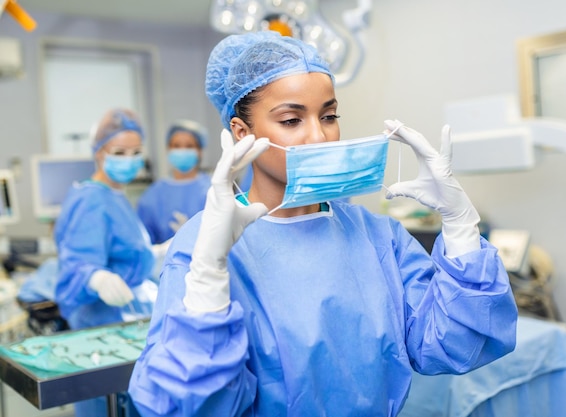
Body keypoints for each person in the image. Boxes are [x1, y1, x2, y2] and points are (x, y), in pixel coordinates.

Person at [129, 32, 518, 417]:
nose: (319, 136)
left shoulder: (377, 236)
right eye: (291, 119)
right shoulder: (207, 246)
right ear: (242, 133)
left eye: (329, 116)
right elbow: (184, 408)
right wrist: (209, 276)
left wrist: (461, 225)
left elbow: (457, 345)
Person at [54, 108, 156, 417]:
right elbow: (75, 264)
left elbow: (125, 251)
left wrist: (158, 252)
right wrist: (96, 278)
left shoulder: (115, 195)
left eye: (136, 152)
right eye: (120, 152)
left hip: (124, 322)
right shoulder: (92, 199)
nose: (130, 158)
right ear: (99, 153)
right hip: (103, 327)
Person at [137, 120, 212, 244]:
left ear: (199, 151)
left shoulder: (213, 189)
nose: (182, 151)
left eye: (189, 146)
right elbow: (144, 242)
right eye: (176, 146)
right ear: (168, 149)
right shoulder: (153, 195)